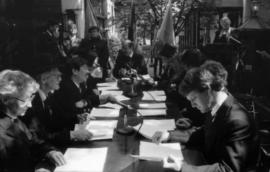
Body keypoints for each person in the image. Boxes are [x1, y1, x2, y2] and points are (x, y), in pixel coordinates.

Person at [152, 61, 259, 172]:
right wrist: (169, 136)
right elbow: (203, 134)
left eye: (194, 99)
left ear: (208, 90)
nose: (192, 105)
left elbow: (228, 169)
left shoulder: (238, 122)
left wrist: (182, 168)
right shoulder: (218, 106)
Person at [0, 69, 65, 172]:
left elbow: (33, 142)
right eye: (24, 100)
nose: (30, 105)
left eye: (30, 98)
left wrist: (49, 152)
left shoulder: (15, 120)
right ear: (6, 100)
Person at [22, 59, 92, 148]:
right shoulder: (32, 103)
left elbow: (58, 120)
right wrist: (72, 135)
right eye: (57, 76)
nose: (60, 79)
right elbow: (41, 135)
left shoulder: (50, 96)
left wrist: (77, 118)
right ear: (44, 79)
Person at [52, 57, 97, 132]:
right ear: (75, 71)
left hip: (80, 124)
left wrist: (84, 102)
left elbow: (90, 98)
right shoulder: (65, 87)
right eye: (85, 68)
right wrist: (79, 115)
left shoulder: (81, 84)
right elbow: (66, 114)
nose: (88, 72)